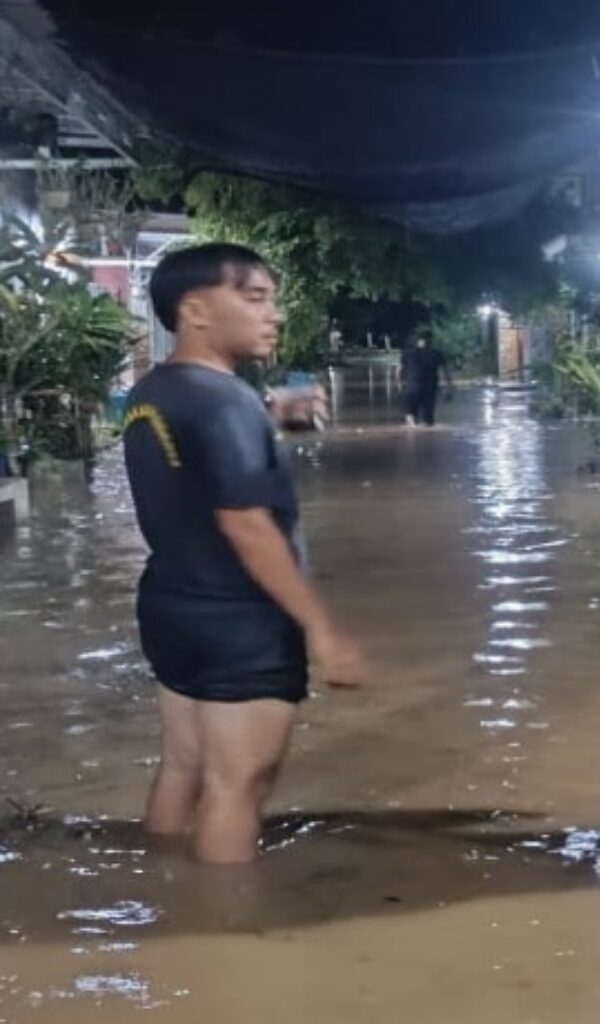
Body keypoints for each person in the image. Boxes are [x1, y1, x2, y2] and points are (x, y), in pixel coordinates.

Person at [123, 243, 363, 865]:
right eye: (254, 298)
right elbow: (246, 525)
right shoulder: (227, 404)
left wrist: (271, 415)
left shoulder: (155, 390)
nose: (273, 314)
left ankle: (157, 891)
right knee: (238, 788)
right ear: (196, 310)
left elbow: (195, 464)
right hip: (241, 620)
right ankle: (218, 932)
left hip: (172, 606)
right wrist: (321, 629)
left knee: (183, 767)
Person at [400, 331, 452, 427]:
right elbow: (443, 372)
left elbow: (399, 370)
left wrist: (400, 384)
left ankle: (412, 434)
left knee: (410, 416)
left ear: (417, 341)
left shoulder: (408, 353)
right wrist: (447, 388)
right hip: (430, 388)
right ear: (431, 340)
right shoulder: (436, 353)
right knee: (428, 420)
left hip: (412, 386)